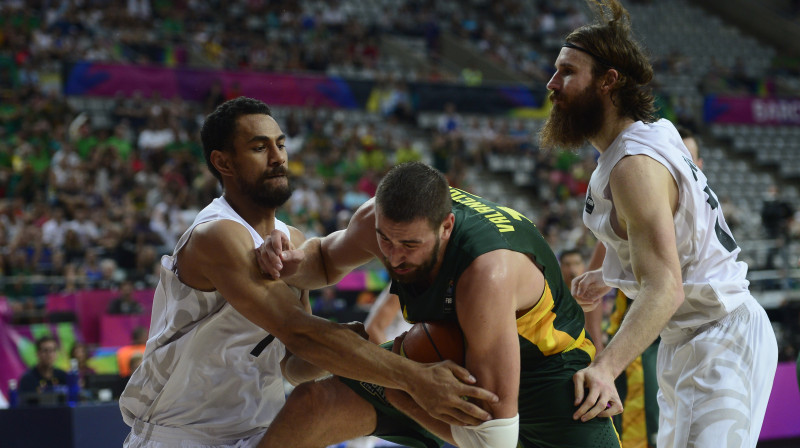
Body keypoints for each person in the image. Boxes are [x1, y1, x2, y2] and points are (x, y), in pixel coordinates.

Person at [118, 97, 494, 448]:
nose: (278, 157)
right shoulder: (215, 234)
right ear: (223, 163)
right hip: (179, 433)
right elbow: (301, 332)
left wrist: (344, 348)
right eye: (259, 147)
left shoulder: (290, 239)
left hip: (258, 431)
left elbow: (292, 366)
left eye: (280, 144)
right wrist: (417, 379)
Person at [541, 1, 779, 446]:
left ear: (609, 81)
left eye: (567, 72)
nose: (552, 83)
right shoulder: (651, 135)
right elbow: (679, 234)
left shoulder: (633, 164)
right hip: (686, 338)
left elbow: (666, 285)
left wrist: (605, 368)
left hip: (717, 331)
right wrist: (610, 273)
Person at [256, 161, 620, 448]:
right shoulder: (382, 220)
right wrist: (291, 263)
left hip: (549, 377)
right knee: (312, 405)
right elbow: (323, 260)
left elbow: (494, 442)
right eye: (386, 240)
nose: (395, 258)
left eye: (410, 246)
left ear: (446, 227)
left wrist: (403, 388)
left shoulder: (486, 273)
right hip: (450, 352)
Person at [582, 127, 706, 447]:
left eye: (690, 158)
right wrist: (597, 347)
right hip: (640, 340)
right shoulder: (637, 196)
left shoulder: (696, 211)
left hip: (690, 333)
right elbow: (596, 284)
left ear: (697, 165)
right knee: (649, 429)